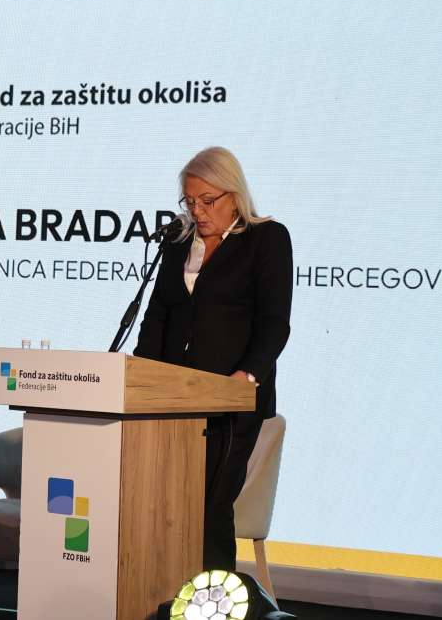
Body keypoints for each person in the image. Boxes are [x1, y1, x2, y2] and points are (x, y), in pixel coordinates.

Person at [134, 146, 292, 571]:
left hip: (231, 405)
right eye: (189, 201)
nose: (197, 211)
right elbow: (157, 318)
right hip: (172, 402)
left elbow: (275, 323)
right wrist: (138, 379)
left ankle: (213, 598)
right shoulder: (178, 244)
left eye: (207, 201)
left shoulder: (267, 239)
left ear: (234, 194)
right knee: (161, 505)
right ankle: (162, 594)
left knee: (207, 506)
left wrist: (247, 375)